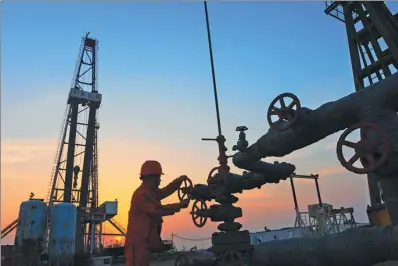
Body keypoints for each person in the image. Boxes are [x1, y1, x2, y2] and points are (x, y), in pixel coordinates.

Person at [125, 160, 190, 266]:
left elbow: (164, 192)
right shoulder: (141, 195)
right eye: (158, 177)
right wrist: (179, 205)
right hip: (137, 245)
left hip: (144, 243)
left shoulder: (150, 193)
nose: (160, 181)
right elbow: (157, 210)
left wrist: (177, 182)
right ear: (151, 178)